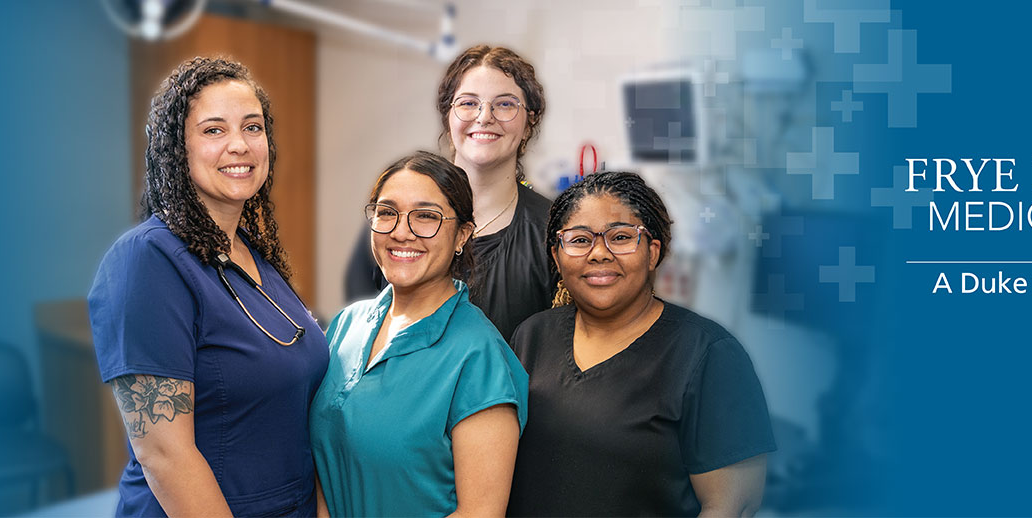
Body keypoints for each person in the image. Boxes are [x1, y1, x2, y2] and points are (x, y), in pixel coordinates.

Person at [88, 57, 327, 517]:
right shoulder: (147, 260)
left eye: (253, 128)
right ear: (177, 149)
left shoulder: (256, 261)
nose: (239, 145)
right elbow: (164, 457)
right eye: (214, 130)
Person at [507, 172, 776, 517]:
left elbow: (733, 505)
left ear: (653, 252)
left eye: (620, 237)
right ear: (557, 257)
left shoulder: (708, 354)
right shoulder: (531, 336)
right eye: (579, 240)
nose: (599, 253)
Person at [311, 151, 528, 517]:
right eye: (386, 212)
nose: (401, 232)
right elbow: (322, 467)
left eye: (426, 217)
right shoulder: (347, 325)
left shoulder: (478, 357)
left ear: (462, 235)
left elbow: (480, 512)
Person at [346, 45, 557, 340]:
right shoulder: (391, 222)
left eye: (505, 104)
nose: (485, 117)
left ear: (530, 121)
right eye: (468, 103)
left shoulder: (554, 231)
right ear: (448, 115)